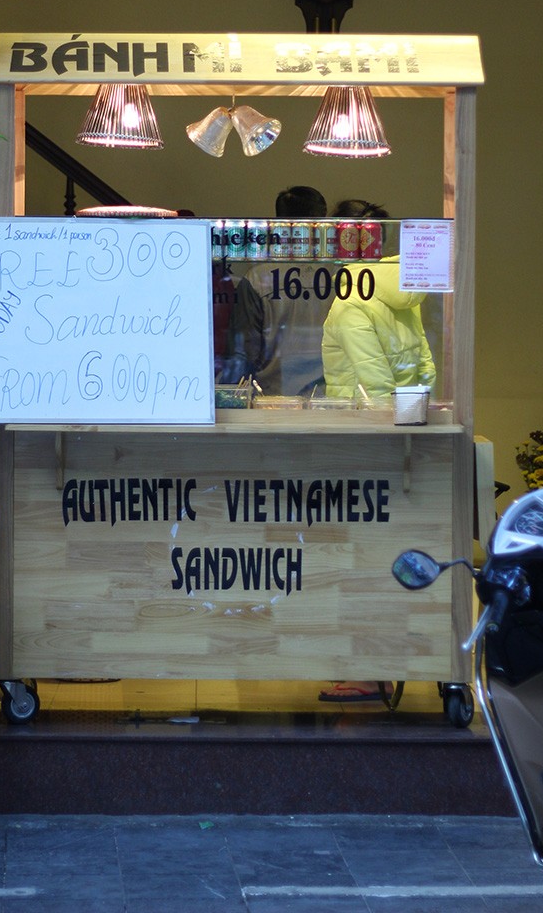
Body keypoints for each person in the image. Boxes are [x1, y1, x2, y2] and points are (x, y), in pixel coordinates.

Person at [320, 198, 434, 704]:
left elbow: (371, 387)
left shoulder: (350, 300)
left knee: (354, 556)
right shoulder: (407, 297)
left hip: (360, 444)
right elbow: (425, 374)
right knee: (393, 553)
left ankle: (366, 672)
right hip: (409, 438)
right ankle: (390, 662)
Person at [320, 198, 436, 404]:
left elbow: (377, 388)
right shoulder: (405, 290)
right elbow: (425, 367)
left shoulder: (350, 302)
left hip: (361, 425)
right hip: (410, 417)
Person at [219, 185, 330, 396]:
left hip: (273, 401)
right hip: (329, 400)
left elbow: (242, 354)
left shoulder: (258, 278)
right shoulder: (340, 276)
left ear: (279, 222)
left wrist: (227, 399)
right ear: (321, 222)